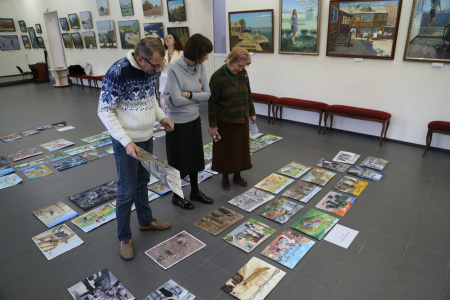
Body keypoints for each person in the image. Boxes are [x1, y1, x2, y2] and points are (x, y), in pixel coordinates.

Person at [98, 37, 174, 261]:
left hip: (146, 137)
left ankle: (146, 221)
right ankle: (124, 236)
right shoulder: (118, 73)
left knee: (143, 182)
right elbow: (105, 111)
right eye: (156, 65)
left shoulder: (149, 71)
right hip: (126, 143)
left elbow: (151, 99)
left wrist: (162, 118)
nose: (159, 69)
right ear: (140, 59)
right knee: (127, 189)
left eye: (161, 65)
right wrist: (125, 141)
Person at [164, 33, 214, 210]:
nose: (207, 57)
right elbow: (176, 101)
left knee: (194, 157)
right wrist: (196, 98)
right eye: (205, 53)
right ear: (197, 52)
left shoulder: (199, 67)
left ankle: (194, 191)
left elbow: (208, 95)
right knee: (178, 160)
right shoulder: (174, 68)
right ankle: (177, 196)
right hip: (176, 122)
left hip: (193, 118)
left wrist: (189, 95)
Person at [208, 47, 256, 190]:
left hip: (241, 119)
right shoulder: (217, 77)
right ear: (231, 60)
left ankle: (237, 175)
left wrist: (252, 112)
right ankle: (224, 177)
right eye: (239, 66)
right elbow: (212, 103)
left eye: (244, 66)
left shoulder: (244, 74)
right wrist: (213, 125)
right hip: (225, 122)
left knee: (240, 150)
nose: (241, 69)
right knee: (226, 151)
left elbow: (248, 94)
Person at [159, 33, 184, 113]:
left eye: (170, 38)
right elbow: (159, 67)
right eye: (166, 38)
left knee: (175, 97)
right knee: (164, 100)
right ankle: (166, 118)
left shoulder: (181, 53)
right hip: (164, 78)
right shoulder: (162, 53)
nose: (167, 40)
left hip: (176, 78)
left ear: (175, 41)